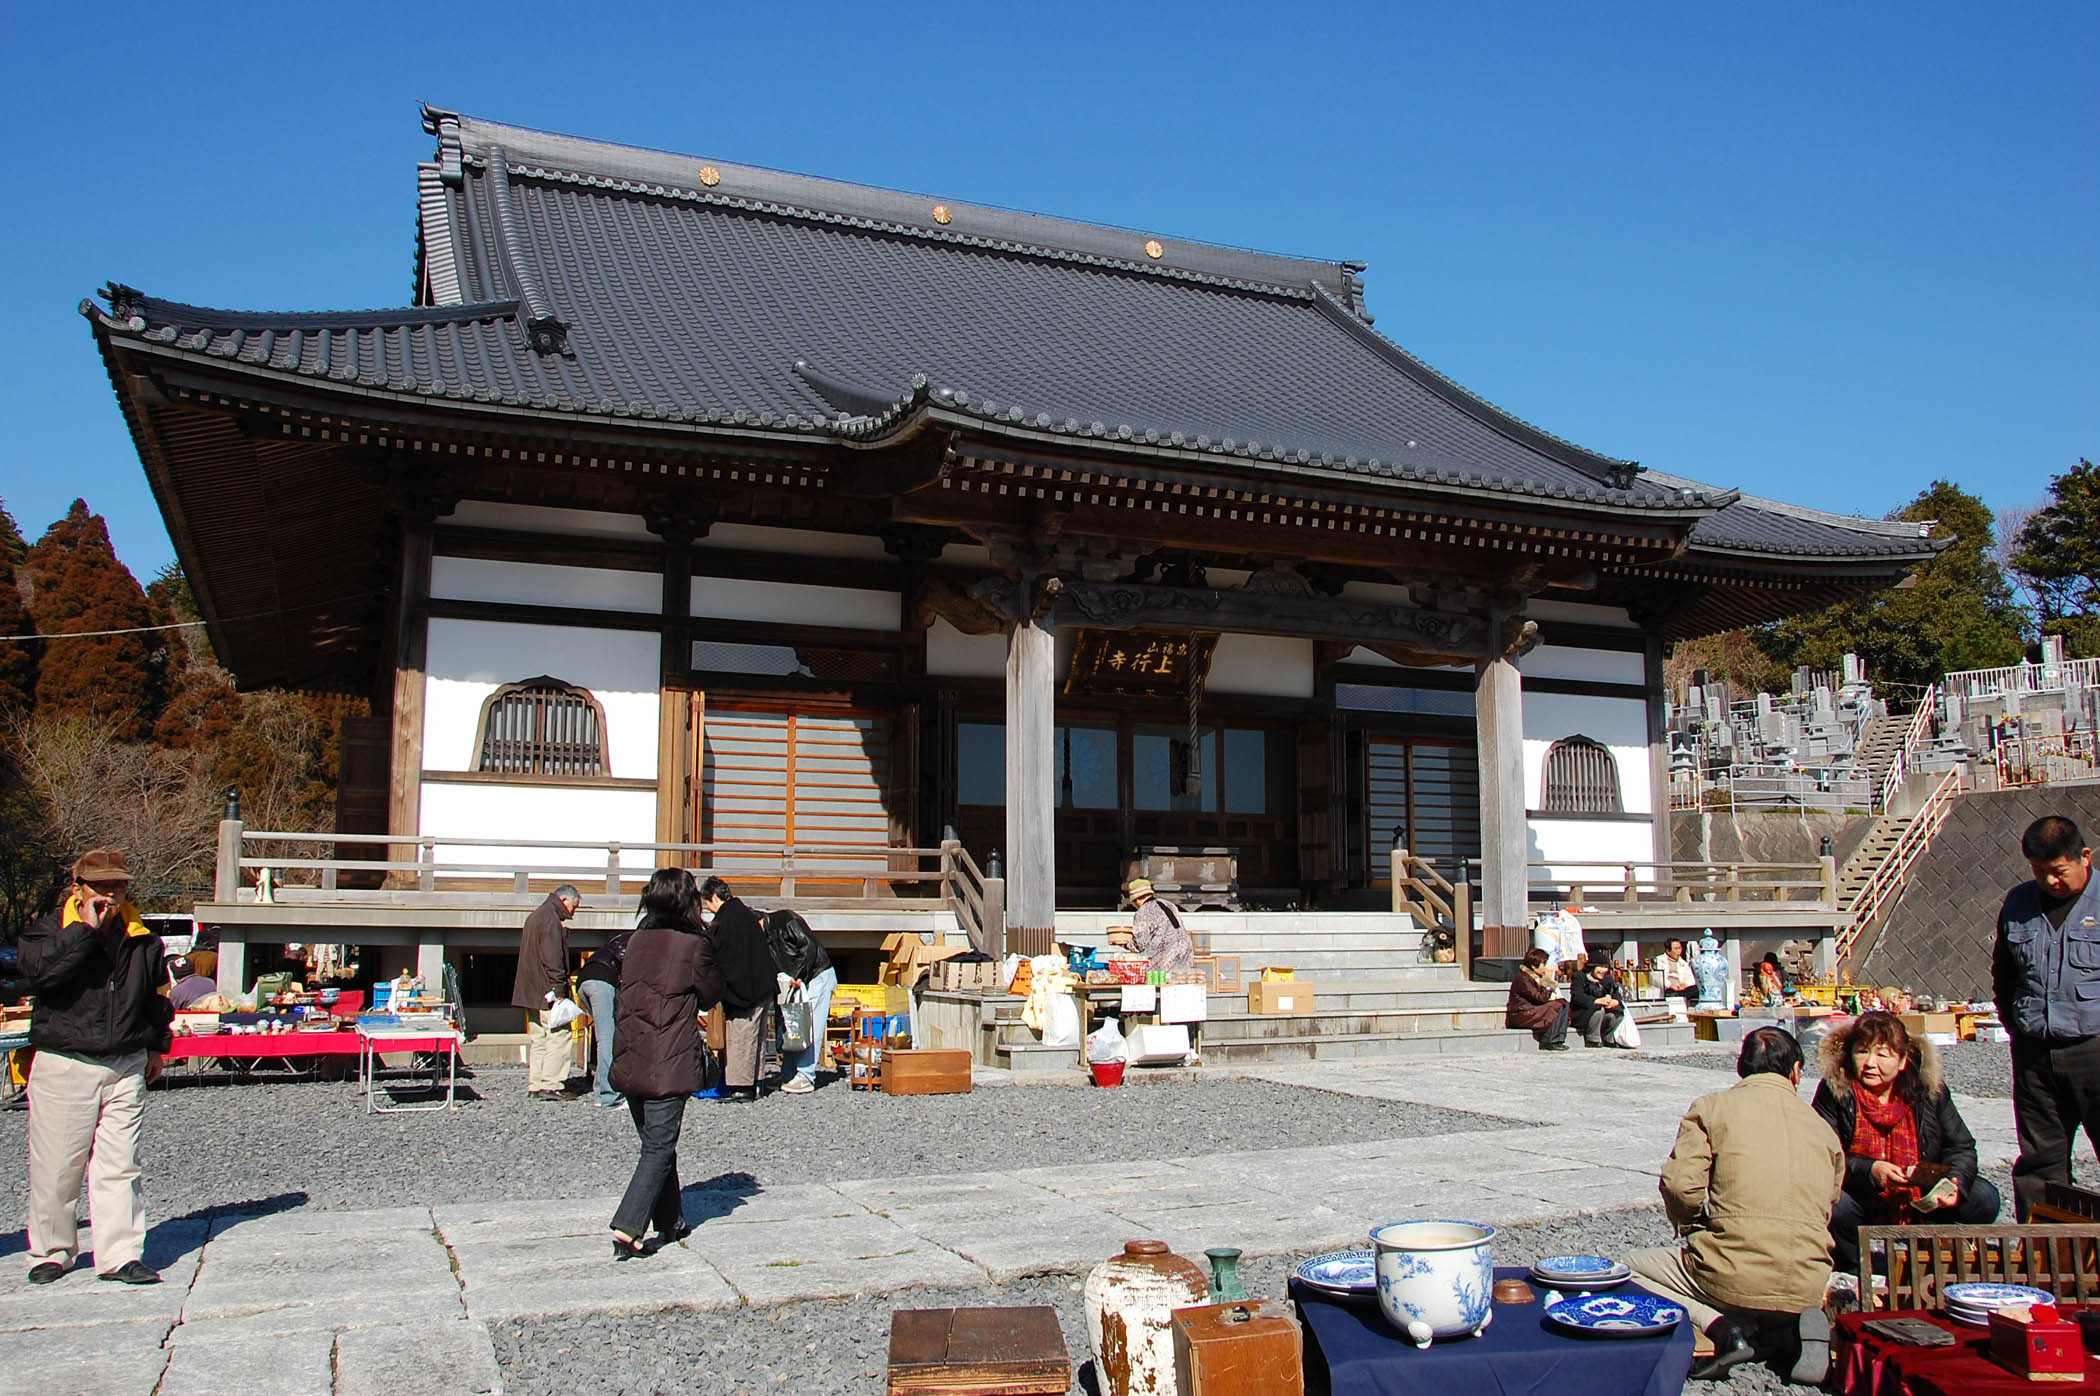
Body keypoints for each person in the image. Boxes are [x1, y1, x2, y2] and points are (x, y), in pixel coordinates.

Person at [1626, 1027, 1843, 1384]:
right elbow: (1829, 1203)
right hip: (1809, 1278)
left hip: (1730, 1274)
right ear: (1796, 1072)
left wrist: (1694, 1226)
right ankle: (1785, 1330)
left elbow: (1680, 1185)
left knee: (1626, 1269)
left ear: (1742, 1068)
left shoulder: (1713, 1108)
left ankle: (1724, 1328)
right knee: (1777, 1282)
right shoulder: (1822, 1129)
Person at [17, 849, 174, 1286]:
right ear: (78, 887)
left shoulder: (142, 937)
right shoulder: (48, 931)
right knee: (57, 1165)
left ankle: (120, 1254)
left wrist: (157, 1048)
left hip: (125, 1061)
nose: (110, 894)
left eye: (118, 886)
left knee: (121, 1165)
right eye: (101, 886)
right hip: (66, 1061)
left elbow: (155, 998)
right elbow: (42, 976)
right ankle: (53, 1251)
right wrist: (85, 930)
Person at [1812, 1010, 2001, 1271]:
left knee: (1984, 1196)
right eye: (1862, 1051)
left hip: (1921, 1192)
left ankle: (1937, 1254)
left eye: (1882, 1054)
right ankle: (1854, 1268)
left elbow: (1961, 1146)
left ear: (1902, 1061)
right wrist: (1871, 1170)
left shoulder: (1927, 1090)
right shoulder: (1836, 1090)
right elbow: (1822, 1154)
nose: (1870, 1063)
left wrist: (1953, 1183)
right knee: (1835, 1203)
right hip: (1862, 1193)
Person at [608, 868, 724, 1260]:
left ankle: (670, 1220)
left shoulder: (636, 939)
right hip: (668, 1057)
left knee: (657, 1142)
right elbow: (710, 995)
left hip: (629, 1054)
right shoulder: (693, 945)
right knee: (658, 1146)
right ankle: (628, 1225)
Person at [1993, 815, 2100, 1219]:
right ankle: (2044, 1256)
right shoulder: (2018, 904)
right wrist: (2014, 1024)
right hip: (2035, 1053)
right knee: (2040, 1161)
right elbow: (2004, 973)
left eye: (2058, 871)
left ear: (2083, 857)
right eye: (2039, 872)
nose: (2050, 881)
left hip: (2094, 1047)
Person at [700, 876, 779, 1104]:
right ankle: (756, 1083)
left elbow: (725, 959)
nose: (708, 908)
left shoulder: (727, 920)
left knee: (741, 1037)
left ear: (714, 897)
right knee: (757, 1037)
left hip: (746, 990)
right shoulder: (743, 913)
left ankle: (741, 1088)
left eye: (708, 902)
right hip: (762, 985)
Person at [511, 883, 580, 1101]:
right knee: (559, 1036)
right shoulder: (550, 921)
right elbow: (553, 961)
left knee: (538, 1038)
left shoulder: (536, 916)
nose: (573, 912)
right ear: (564, 901)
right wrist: (560, 991)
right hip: (547, 991)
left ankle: (536, 1083)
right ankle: (552, 1084)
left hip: (530, 991)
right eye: (574, 907)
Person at [763, 908, 836, 1095]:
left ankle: (806, 1074)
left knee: (810, 1025)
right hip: (797, 981)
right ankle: (788, 1073)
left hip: (817, 975)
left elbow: (808, 947)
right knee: (792, 1025)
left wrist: (799, 975)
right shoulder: (766, 937)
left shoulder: (785, 919)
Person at [575, 927, 632, 1108]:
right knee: (608, 1039)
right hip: (602, 983)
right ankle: (610, 1097)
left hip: (584, 981)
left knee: (603, 1036)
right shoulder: (637, 944)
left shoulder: (616, 941)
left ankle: (601, 1090)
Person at [1109, 877, 1194, 974]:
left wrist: (1123, 943)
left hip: (1166, 956)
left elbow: (1140, 944)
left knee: (1162, 984)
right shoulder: (1168, 904)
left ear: (1135, 900)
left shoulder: (1144, 911)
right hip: (1186, 951)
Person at [1505, 948, 1570, 1051]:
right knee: (1555, 1006)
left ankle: (1558, 1039)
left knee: (1563, 1003)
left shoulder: (1536, 978)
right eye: (1543, 964)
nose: (1545, 968)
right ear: (1534, 966)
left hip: (1532, 1010)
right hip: (1522, 1013)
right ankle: (1549, 1040)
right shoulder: (1523, 978)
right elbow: (1539, 998)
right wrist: (1548, 985)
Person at [1571, 957, 1629, 1048]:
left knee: (1617, 1012)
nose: (1603, 970)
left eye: (1605, 967)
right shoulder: (1579, 976)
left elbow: (1615, 993)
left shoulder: (1608, 979)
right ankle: (1592, 1039)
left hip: (1604, 1010)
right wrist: (1596, 1001)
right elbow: (1577, 997)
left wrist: (1615, 1001)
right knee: (1598, 1009)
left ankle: (1608, 1038)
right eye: (1600, 967)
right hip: (1583, 1012)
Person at [1657, 937, 1699, 1005]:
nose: (1679, 951)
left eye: (1680, 948)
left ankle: (1678, 996)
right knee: (1669, 992)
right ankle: (1676, 995)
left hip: (1682, 989)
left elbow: (1690, 979)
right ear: (1668, 950)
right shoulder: (1659, 960)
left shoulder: (1683, 963)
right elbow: (1658, 978)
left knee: (1697, 988)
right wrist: (1671, 985)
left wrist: (1685, 985)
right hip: (1668, 989)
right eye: (1676, 949)